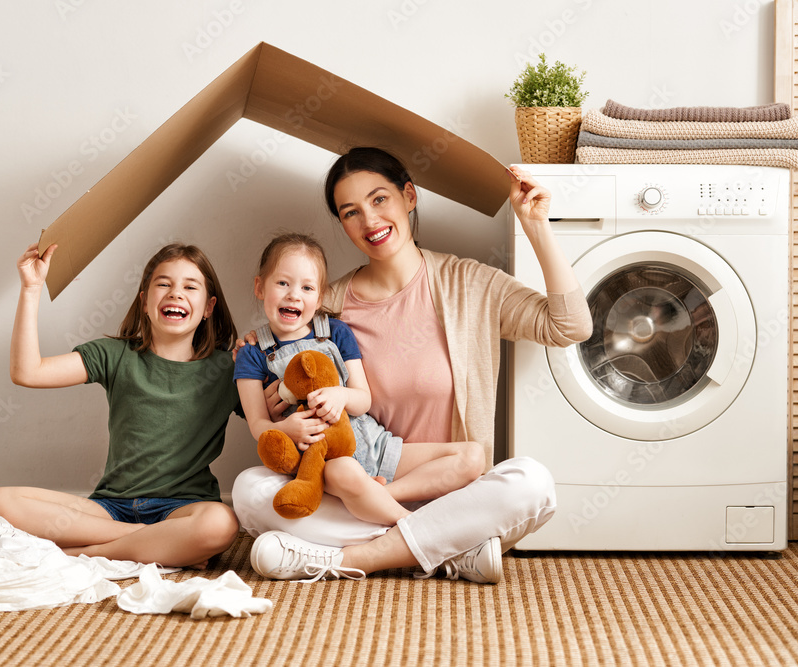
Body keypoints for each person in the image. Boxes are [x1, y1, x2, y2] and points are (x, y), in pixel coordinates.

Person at [232, 147, 593, 584]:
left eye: (379, 199)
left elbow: (570, 326)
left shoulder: (468, 285)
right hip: (353, 495)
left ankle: (354, 558)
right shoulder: (324, 308)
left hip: (455, 497)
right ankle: (443, 551)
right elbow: (270, 390)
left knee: (532, 482)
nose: (369, 221)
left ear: (409, 196)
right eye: (350, 212)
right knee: (249, 490)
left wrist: (536, 225)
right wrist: (269, 385)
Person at [0, 242, 242, 569]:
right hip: (109, 508)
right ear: (145, 302)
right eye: (163, 284)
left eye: (190, 287)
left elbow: (277, 417)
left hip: (183, 508)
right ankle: (153, 540)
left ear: (208, 307)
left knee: (221, 524)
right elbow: (27, 372)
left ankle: (79, 555)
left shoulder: (230, 369)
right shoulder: (115, 355)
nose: (176, 293)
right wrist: (32, 288)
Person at [235, 233, 485, 527]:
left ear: (320, 297)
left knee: (473, 456)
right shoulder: (251, 353)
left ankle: (382, 495)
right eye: (282, 283)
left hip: (375, 444)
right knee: (346, 472)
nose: (294, 294)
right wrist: (285, 428)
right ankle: (418, 527)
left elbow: (363, 399)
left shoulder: (336, 332)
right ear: (259, 287)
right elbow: (258, 425)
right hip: (326, 462)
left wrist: (341, 395)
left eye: (307, 287)